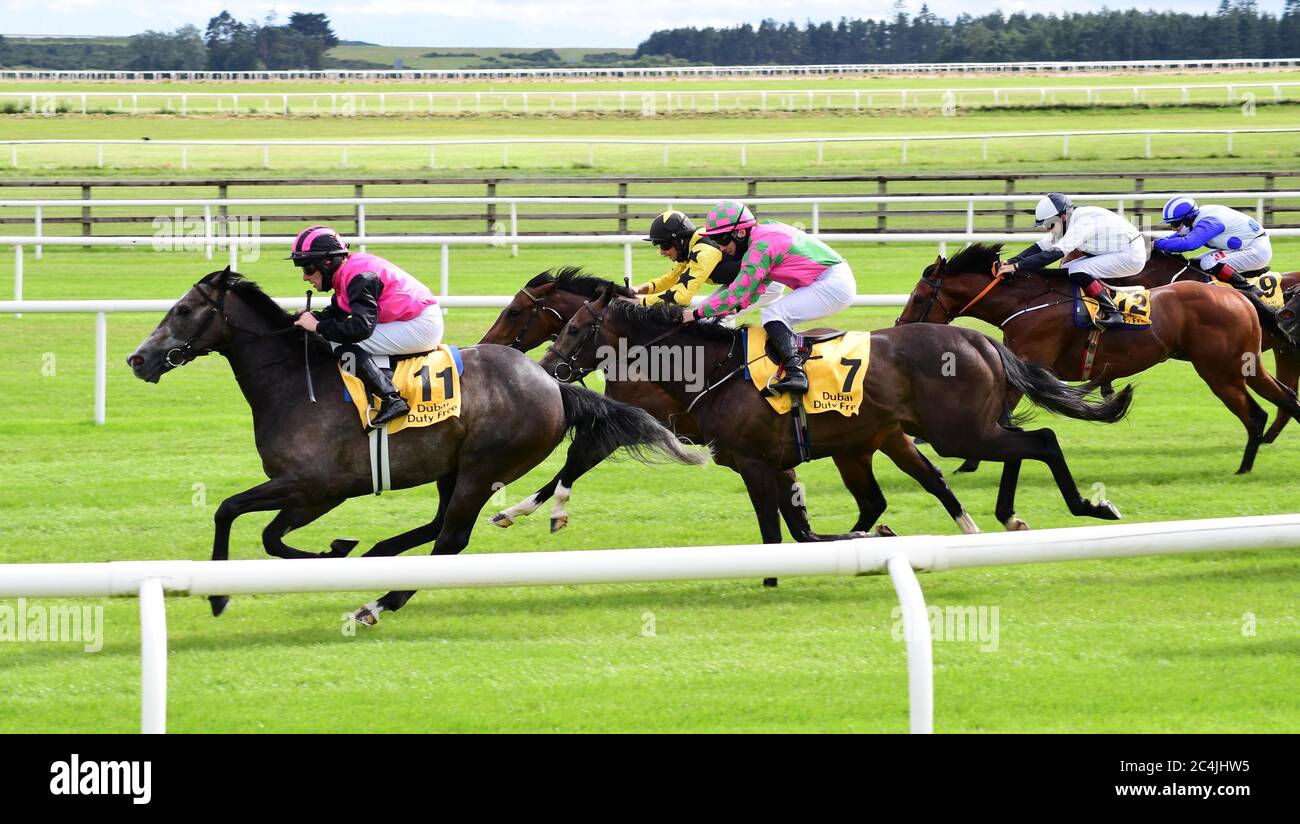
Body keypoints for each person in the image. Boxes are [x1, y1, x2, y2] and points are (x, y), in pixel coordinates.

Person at [684, 200, 856, 395]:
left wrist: (695, 314)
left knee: (773, 314)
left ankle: (796, 374)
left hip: (833, 284)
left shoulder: (761, 245)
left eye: (722, 240)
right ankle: (792, 367)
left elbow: (736, 292)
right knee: (775, 316)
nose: (721, 248)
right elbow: (759, 285)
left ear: (740, 233)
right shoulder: (763, 234)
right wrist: (739, 307)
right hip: (833, 280)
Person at [289, 225, 442, 428]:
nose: (305, 277)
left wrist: (318, 326)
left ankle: (391, 398)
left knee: (340, 342)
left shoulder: (359, 277)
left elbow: (360, 329)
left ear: (327, 262)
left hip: (422, 325)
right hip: (413, 319)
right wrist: (312, 318)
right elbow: (338, 311)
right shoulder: (347, 272)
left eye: (308, 269)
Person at [998, 193, 1145, 330]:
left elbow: (1054, 254)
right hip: (1114, 251)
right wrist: (1009, 261)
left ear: (1062, 217)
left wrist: (1017, 267)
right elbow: (1040, 247)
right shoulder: (1068, 221)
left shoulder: (1083, 222)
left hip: (1130, 255)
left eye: (1049, 224)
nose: (1047, 229)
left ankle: (1114, 313)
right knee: (1066, 269)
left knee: (1076, 270)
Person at [634, 210, 784, 321]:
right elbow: (670, 280)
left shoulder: (703, 251)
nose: (661, 252)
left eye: (664, 245)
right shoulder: (690, 247)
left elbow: (681, 296)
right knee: (703, 319)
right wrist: (637, 290)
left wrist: (638, 302)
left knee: (705, 320)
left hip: (764, 281)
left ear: (680, 241)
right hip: (744, 281)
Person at [1153, 196, 1270, 296]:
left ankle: (1250, 290)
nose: (1173, 228)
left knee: (1208, 262)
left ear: (1188, 219)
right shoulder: (1196, 217)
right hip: (1245, 246)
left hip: (1256, 250)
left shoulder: (1209, 221)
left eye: (1175, 223)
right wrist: (1156, 243)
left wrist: (1156, 244)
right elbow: (1176, 238)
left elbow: (1189, 243)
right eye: (1171, 224)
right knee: (1196, 262)